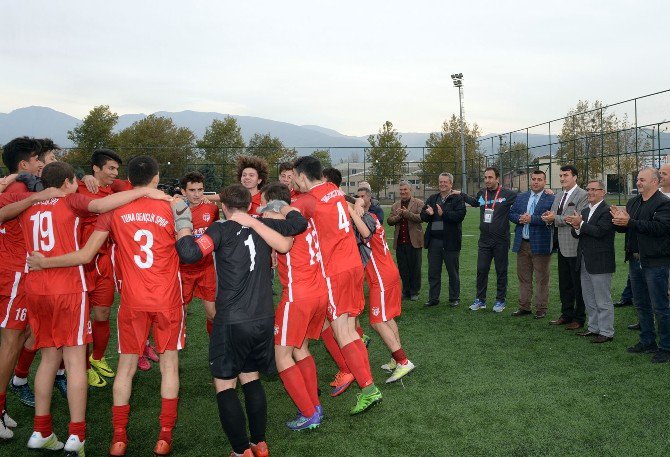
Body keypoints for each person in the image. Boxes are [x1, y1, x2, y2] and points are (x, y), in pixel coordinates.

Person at [2, 161, 170, 454]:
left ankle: (41, 430)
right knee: (76, 360)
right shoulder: (71, 198)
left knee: (48, 359)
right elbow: (103, 204)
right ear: (68, 181)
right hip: (67, 288)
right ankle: (76, 435)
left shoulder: (29, 205)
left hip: (35, 288)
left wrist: (30, 198)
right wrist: (144, 192)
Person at [176, 183, 308, 457]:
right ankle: (259, 443)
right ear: (250, 205)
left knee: (225, 384)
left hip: (233, 321)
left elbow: (189, 253)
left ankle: (240, 451)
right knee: (250, 377)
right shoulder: (263, 225)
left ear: (223, 207)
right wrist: (282, 207)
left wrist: (183, 222)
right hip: (261, 318)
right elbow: (298, 223)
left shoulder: (220, 229)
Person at [292, 156, 382, 415]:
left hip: (334, 271)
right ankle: (367, 385)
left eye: (294, 177)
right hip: (354, 265)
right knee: (351, 331)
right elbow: (357, 202)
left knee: (342, 333)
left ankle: (368, 388)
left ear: (301, 176)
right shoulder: (333, 190)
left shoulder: (307, 200)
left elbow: (288, 218)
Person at [261, 182, 327, 431]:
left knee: (282, 356)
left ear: (275, 205)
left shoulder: (285, 223)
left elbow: (282, 243)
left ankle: (309, 413)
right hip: (317, 292)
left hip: (298, 296)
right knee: (300, 349)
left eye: (265, 204)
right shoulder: (302, 220)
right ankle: (314, 406)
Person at [0, 137, 43, 435]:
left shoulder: (18, 187)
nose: (41, 163)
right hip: (14, 273)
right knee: (10, 343)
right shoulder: (18, 190)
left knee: (19, 339)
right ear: (23, 164)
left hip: (17, 271)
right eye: (37, 159)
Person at [355, 187, 415, 383]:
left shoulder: (366, 220)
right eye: (358, 197)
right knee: (387, 318)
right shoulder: (371, 216)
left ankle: (403, 361)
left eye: (362, 197)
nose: (360, 200)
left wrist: (351, 208)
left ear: (369, 201)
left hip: (381, 276)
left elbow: (363, 233)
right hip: (387, 272)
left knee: (377, 321)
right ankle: (395, 359)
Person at [77, 149, 126, 387]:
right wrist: (82, 176)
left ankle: (97, 358)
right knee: (81, 320)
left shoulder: (115, 189)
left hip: (104, 261)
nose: (115, 174)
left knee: (103, 314)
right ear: (95, 168)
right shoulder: (77, 188)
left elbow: (143, 184)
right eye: (110, 168)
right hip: (80, 263)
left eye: (117, 169)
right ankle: (82, 366)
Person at [612, 167, 670, 363]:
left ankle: (666, 347)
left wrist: (630, 222)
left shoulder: (664, 204)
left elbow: (660, 228)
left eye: (642, 179)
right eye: (637, 179)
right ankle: (647, 341)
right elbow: (626, 230)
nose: (638, 182)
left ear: (655, 181)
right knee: (641, 304)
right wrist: (618, 221)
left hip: (655, 262)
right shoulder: (634, 202)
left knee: (660, 307)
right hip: (636, 261)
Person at [460, 167, 517, 312]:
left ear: (497, 178)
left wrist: (547, 191)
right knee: (482, 269)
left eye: (490, 177)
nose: (487, 180)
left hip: (501, 240)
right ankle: (480, 299)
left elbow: (523, 198)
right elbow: (474, 203)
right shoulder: (482, 193)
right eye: (485, 177)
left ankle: (500, 300)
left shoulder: (508, 194)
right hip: (484, 240)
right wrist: (460, 194)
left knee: (501, 270)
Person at [568, 179, 616, 343]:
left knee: (602, 299)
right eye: (589, 189)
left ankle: (607, 332)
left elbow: (600, 232)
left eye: (595, 189)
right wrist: (576, 227)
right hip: (584, 260)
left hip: (601, 261)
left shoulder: (607, 211)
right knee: (589, 298)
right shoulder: (585, 211)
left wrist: (580, 223)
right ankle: (594, 328)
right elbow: (578, 234)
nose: (591, 192)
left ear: (603, 192)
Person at [542, 165, 588, 330]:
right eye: (560, 175)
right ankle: (566, 314)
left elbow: (577, 218)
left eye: (566, 175)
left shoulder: (583, 194)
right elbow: (555, 216)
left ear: (575, 177)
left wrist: (555, 218)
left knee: (578, 284)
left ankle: (579, 317)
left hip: (575, 245)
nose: (562, 178)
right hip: (560, 245)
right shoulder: (559, 195)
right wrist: (548, 218)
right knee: (564, 283)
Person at [508, 170, 555, 319]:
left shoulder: (551, 198)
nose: (535, 182)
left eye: (539, 179)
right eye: (533, 179)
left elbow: (550, 219)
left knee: (542, 278)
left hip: (541, 244)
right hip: (522, 243)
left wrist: (532, 219)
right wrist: (519, 218)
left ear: (544, 181)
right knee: (524, 277)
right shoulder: (521, 197)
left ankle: (541, 308)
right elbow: (511, 213)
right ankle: (524, 306)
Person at [178, 171, 220, 336]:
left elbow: (216, 232)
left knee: (213, 314)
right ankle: (176, 345)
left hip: (206, 268)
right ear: (183, 192)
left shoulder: (211, 208)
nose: (197, 194)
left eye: (200, 190)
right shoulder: (176, 210)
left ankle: (216, 349)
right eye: (192, 190)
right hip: (183, 270)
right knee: (181, 314)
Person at [420, 173, 465, 307]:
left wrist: (443, 214)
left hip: (451, 241)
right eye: (440, 182)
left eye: (445, 182)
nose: (442, 184)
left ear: (451, 184)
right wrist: (429, 214)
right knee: (433, 272)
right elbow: (423, 215)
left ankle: (454, 298)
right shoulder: (433, 198)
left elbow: (460, 215)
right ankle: (433, 298)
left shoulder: (457, 199)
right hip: (434, 241)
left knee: (453, 272)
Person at [387, 181, 424, 301]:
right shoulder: (395, 205)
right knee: (403, 268)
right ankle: (406, 291)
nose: (403, 192)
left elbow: (421, 218)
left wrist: (407, 214)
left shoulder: (418, 203)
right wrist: (398, 216)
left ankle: (415, 292)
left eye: (405, 190)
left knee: (415, 268)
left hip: (414, 241)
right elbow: (389, 221)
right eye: (401, 190)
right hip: (400, 242)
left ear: (410, 190)